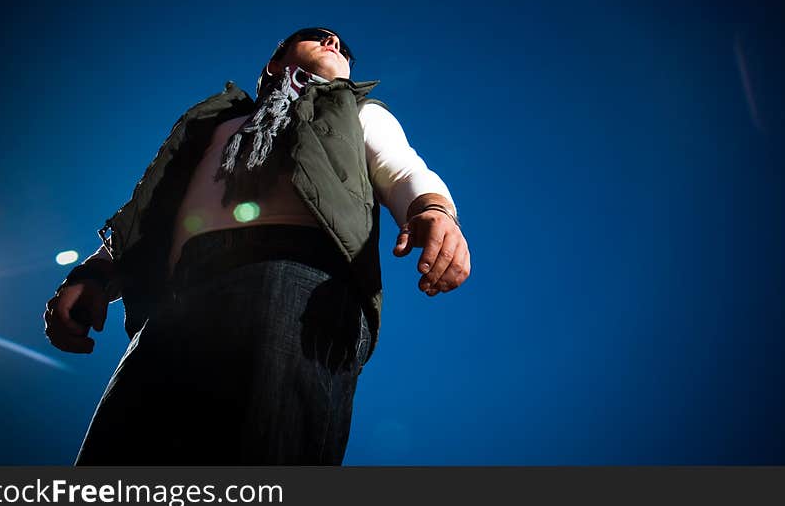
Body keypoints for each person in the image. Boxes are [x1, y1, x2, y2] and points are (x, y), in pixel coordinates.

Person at [42, 27, 470, 465]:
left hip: (297, 279)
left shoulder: (354, 109)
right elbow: (149, 208)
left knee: (264, 453)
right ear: (275, 62)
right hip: (176, 302)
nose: (334, 44)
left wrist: (434, 212)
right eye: (317, 37)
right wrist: (94, 274)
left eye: (341, 45)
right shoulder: (213, 124)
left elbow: (400, 170)